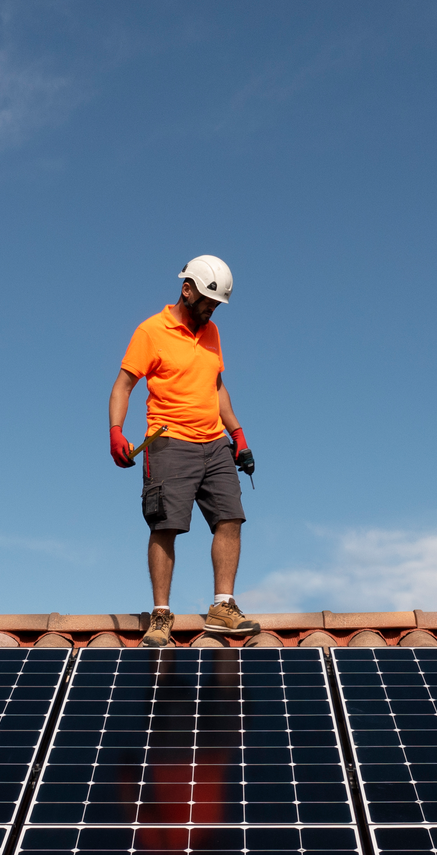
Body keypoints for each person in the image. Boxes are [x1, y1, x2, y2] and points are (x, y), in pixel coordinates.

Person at [107, 255, 259, 648]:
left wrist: (238, 434)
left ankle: (222, 607)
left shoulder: (212, 333)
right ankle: (160, 615)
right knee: (166, 526)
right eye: (207, 300)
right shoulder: (151, 331)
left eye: (217, 304)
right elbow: (123, 385)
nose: (211, 309)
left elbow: (217, 386)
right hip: (169, 441)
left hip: (214, 443)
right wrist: (116, 431)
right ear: (186, 289)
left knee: (231, 518)